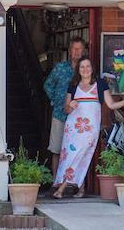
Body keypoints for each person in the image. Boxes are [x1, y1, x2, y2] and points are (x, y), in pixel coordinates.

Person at [53, 57, 124, 198]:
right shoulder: (73, 84)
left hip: (90, 128)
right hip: (73, 128)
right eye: (82, 67)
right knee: (72, 156)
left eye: (88, 66)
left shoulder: (100, 84)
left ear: (92, 68)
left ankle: (61, 188)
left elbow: (110, 105)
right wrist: (70, 106)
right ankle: (80, 189)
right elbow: (66, 108)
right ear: (78, 70)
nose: (85, 69)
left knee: (79, 154)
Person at [43, 38, 86, 182]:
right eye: (74, 48)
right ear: (69, 50)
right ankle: (56, 181)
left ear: (83, 51)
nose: (76, 52)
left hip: (80, 117)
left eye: (79, 49)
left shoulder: (86, 70)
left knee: (77, 150)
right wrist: (55, 101)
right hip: (60, 114)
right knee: (56, 149)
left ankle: (75, 183)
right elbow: (48, 85)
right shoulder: (60, 68)